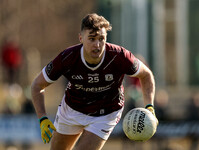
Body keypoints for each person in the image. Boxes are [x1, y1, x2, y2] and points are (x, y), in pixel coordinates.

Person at [31, 13, 158, 150]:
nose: (97, 45)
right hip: (72, 109)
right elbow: (37, 85)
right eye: (91, 39)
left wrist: (149, 106)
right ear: (81, 38)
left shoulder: (120, 57)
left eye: (101, 39)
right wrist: (43, 118)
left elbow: (146, 75)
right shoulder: (67, 58)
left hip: (106, 113)